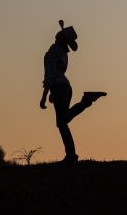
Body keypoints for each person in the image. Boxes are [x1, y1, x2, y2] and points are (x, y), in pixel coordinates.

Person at [40, 20, 106, 163]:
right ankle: (71, 155)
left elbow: (50, 74)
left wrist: (44, 96)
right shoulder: (62, 52)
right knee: (62, 122)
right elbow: (57, 73)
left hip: (60, 88)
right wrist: (52, 92)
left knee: (62, 121)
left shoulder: (52, 52)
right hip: (64, 87)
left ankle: (87, 100)